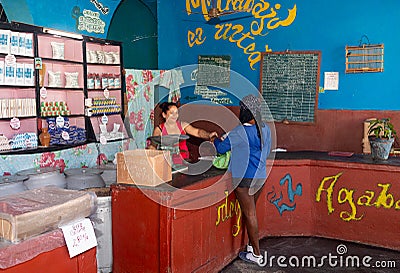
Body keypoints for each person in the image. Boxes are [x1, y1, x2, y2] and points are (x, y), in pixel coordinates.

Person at [213, 94, 271, 265]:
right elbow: (265, 153)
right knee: (250, 213)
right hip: (260, 177)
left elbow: (221, 148)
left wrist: (215, 138)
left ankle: (257, 255)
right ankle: (252, 249)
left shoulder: (241, 131)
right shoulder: (265, 129)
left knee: (250, 214)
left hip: (244, 179)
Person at [151, 102, 218, 164]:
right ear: (164, 115)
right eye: (171, 113)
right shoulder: (159, 129)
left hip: (183, 160)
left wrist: (209, 135)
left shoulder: (182, 125)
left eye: (176, 113)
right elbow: (153, 146)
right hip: (166, 162)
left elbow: (198, 132)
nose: (175, 115)